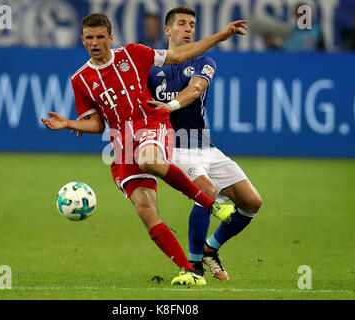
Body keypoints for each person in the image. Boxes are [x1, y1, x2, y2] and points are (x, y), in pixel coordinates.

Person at [41, 13, 248, 286]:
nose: (95, 43)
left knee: (148, 159)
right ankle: (189, 271)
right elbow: (96, 123)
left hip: (151, 123)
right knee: (145, 208)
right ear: (82, 40)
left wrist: (221, 36)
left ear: (110, 38)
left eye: (100, 37)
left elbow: (177, 56)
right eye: (89, 38)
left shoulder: (133, 54)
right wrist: (69, 122)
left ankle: (214, 207)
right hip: (121, 142)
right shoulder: (80, 79)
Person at [147, 6, 262, 281]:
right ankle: (194, 266)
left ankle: (211, 248)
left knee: (251, 202)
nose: (188, 29)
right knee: (207, 192)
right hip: (174, 146)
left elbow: (196, 88)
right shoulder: (150, 68)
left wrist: (170, 105)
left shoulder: (203, 61)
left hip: (205, 146)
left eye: (192, 25)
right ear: (168, 30)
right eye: (182, 24)